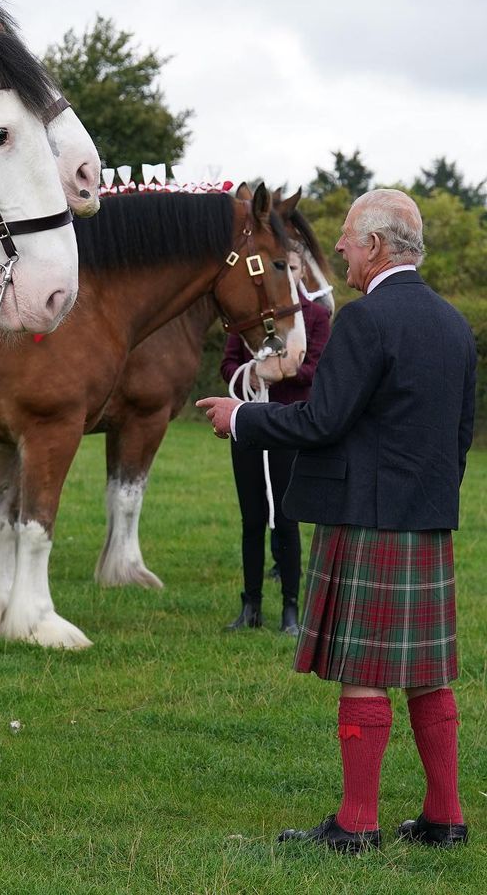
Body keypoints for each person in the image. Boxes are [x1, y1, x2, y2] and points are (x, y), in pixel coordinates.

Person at [197, 189, 475, 852]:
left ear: (375, 246)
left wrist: (242, 418)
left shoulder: (365, 320)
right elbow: (460, 434)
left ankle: (356, 826)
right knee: (427, 671)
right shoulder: (452, 323)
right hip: (426, 514)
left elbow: (322, 422)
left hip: (367, 517)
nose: (341, 249)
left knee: (366, 671)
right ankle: (446, 818)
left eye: (348, 238)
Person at [221, 248, 331, 635]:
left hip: (288, 428)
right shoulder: (255, 316)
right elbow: (229, 363)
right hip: (250, 426)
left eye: (295, 267)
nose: (289, 274)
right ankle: (250, 606)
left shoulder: (316, 318)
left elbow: (314, 372)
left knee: (286, 519)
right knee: (251, 519)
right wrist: (251, 374)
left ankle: (290, 610)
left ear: (302, 272)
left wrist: (280, 373)